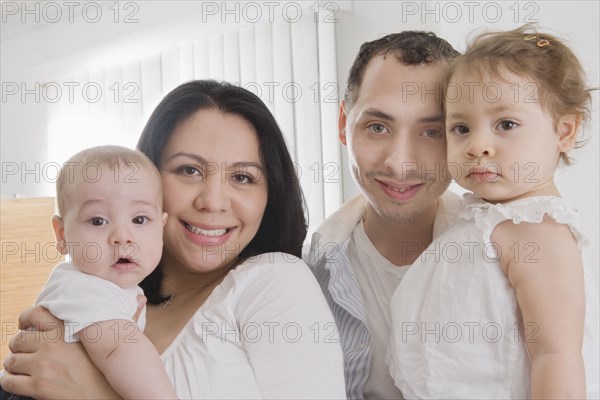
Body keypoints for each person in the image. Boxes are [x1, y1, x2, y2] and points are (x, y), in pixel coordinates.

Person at [1, 80, 347, 399]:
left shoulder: (275, 282)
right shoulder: (106, 288)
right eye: (189, 170)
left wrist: (95, 393)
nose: (212, 201)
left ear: (270, 193)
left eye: (242, 177)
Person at [387, 26, 599, 398]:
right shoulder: (474, 219)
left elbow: (557, 355)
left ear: (564, 131)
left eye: (506, 124)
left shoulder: (535, 230)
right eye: (461, 128)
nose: (478, 145)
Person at [305, 31, 462, 399]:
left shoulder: (509, 256)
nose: (401, 163)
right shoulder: (307, 272)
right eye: (378, 127)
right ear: (344, 123)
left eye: (432, 131)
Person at [34, 145, 176, 399]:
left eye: (139, 219)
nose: (122, 237)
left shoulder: (113, 288)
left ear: (161, 229)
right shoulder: (82, 287)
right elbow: (118, 350)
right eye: (98, 221)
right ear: (62, 234)